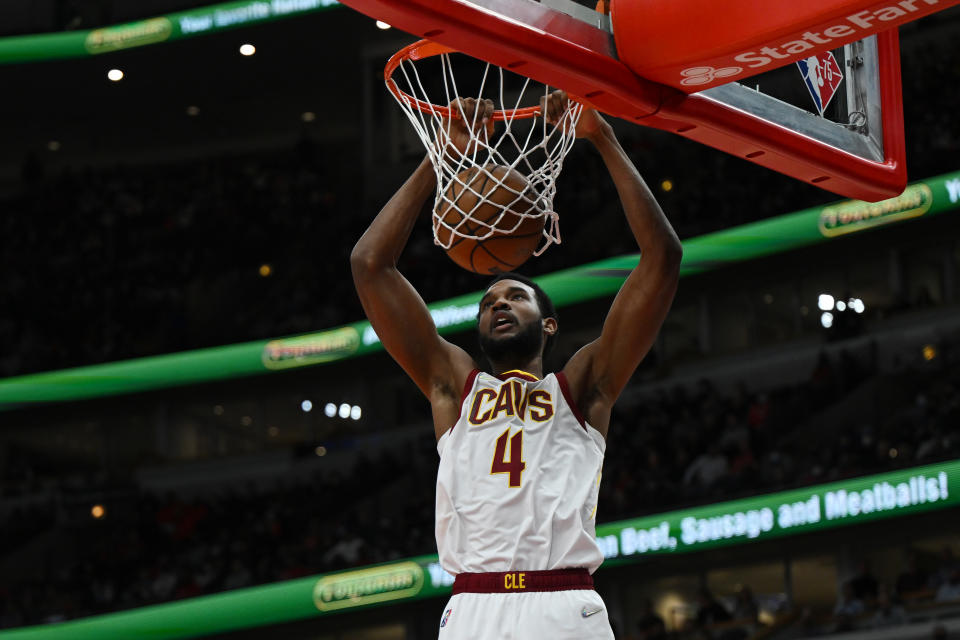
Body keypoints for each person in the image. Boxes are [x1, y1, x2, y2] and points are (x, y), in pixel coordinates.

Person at [351, 91, 682, 639]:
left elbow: (662, 258)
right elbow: (368, 264)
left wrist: (602, 138)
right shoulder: (451, 386)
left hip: (562, 600)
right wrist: (441, 157)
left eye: (516, 297)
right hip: (473, 608)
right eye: (488, 303)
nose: (499, 303)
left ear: (549, 325)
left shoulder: (583, 386)